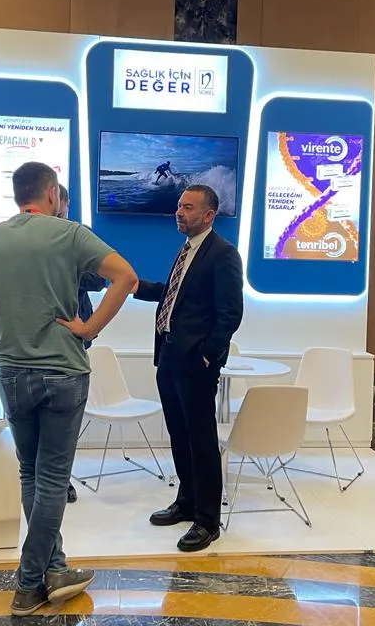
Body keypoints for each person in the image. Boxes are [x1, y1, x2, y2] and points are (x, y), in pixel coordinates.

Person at [0, 162, 137, 616]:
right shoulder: (70, 234)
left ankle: (55, 568)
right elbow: (125, 277)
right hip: (62, 373)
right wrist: (88, 328)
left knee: (31, 474)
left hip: (12, 373)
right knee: (51, 479)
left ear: (17, 195)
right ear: (51, 193)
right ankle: (29, 583)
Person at [134, 184, 243, 553]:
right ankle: (187, 501)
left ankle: (208, 520)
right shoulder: (186, 250)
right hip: (168, 357)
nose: (179, 212)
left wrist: (208, 355)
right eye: (179, 206)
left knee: (201, 439)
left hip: (196, 362)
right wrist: (134, 286)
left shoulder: (223, 254)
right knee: (179, 435)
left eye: (188, 207)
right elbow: (174, 295)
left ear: (208, 215)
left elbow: (230, 313)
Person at [56, 184, 107, 504]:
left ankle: (62, 479)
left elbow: (99, 280)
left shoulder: (80, 235)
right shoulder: (22, 236)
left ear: (64, 203)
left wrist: (61, 265)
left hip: (75, 333)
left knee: (67, 416)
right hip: (35, 332)